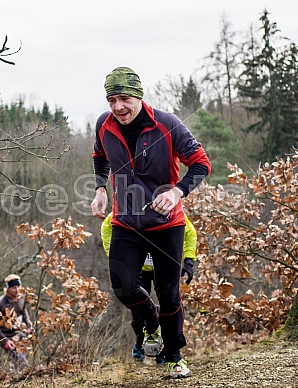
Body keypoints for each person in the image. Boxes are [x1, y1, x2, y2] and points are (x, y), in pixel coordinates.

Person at [91, 67, 210, 379]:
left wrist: (176, 191)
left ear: (139, 97)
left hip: (166, 225)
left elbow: (201, 164)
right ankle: (151, 321)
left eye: (125, 99)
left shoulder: (167, 124)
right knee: (123, 286)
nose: (118, 107)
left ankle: (174, 356)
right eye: (112, 99)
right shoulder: (103, 125)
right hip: (125, 222)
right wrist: (100, 187)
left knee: (169, 293)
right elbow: (100, 156)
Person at [100, 211, 197, 363]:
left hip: (162, 262)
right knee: (138, 309)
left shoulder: (168, 211)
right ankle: (141, 341)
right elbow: (107, 229)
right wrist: (117, 258)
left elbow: (190, 233)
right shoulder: (125, 211)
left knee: (169, 301)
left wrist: (189, 261)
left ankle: (167, 350)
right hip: (141, 266)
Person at [0, 274, 34, 369]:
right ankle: (15, 376)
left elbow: (24, 312)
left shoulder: (21, 298)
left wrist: (29, 326)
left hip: (18, 332)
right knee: (16, 358)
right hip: (6, 335)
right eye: (14, 288)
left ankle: (20, 374)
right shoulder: (0, 304)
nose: (17, 290)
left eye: (18, 287)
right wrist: (5, 340)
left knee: (22, 356)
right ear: (8, 289)